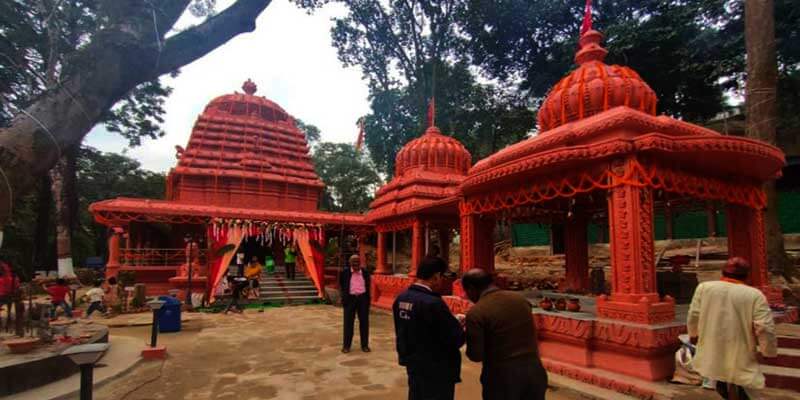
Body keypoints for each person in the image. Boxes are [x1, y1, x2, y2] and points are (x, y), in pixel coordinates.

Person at [687, 257, 777, 399]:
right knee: (744, 384)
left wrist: (693, 334)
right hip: (741, 348)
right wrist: (768, 351)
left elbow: (694, 315)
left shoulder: (704, 288)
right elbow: (764, 327)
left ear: (722, 272)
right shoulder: (754, 295)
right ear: (747, 276)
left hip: (713, 345)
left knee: (721, 378)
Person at [462, 268, 548, 400]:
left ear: (471, 289)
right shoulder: (520, 300)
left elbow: (475, 355)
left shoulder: (477, 312)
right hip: (534, 371)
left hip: (502, 378)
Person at [393, 256, 465, 400]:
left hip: (414, 364)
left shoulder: (401, 298)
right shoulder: (433, 303)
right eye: (443, 277)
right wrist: (459, 326)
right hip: (437, 368)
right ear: (436, 276)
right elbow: (455, 339)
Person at [339, 254, 371, 353]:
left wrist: (367, 299)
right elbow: (341, 285)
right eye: (353, 262)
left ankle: (365, 345)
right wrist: (343, 297)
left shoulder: (365, 272)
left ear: (360, 262)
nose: (356, 263)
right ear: (350, 263)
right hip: (350, 299)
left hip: (363, 299)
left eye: (357, 261)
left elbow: (368, 285)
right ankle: (346, 346)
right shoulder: (345, 273)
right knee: (348, 323)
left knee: (364, 323)